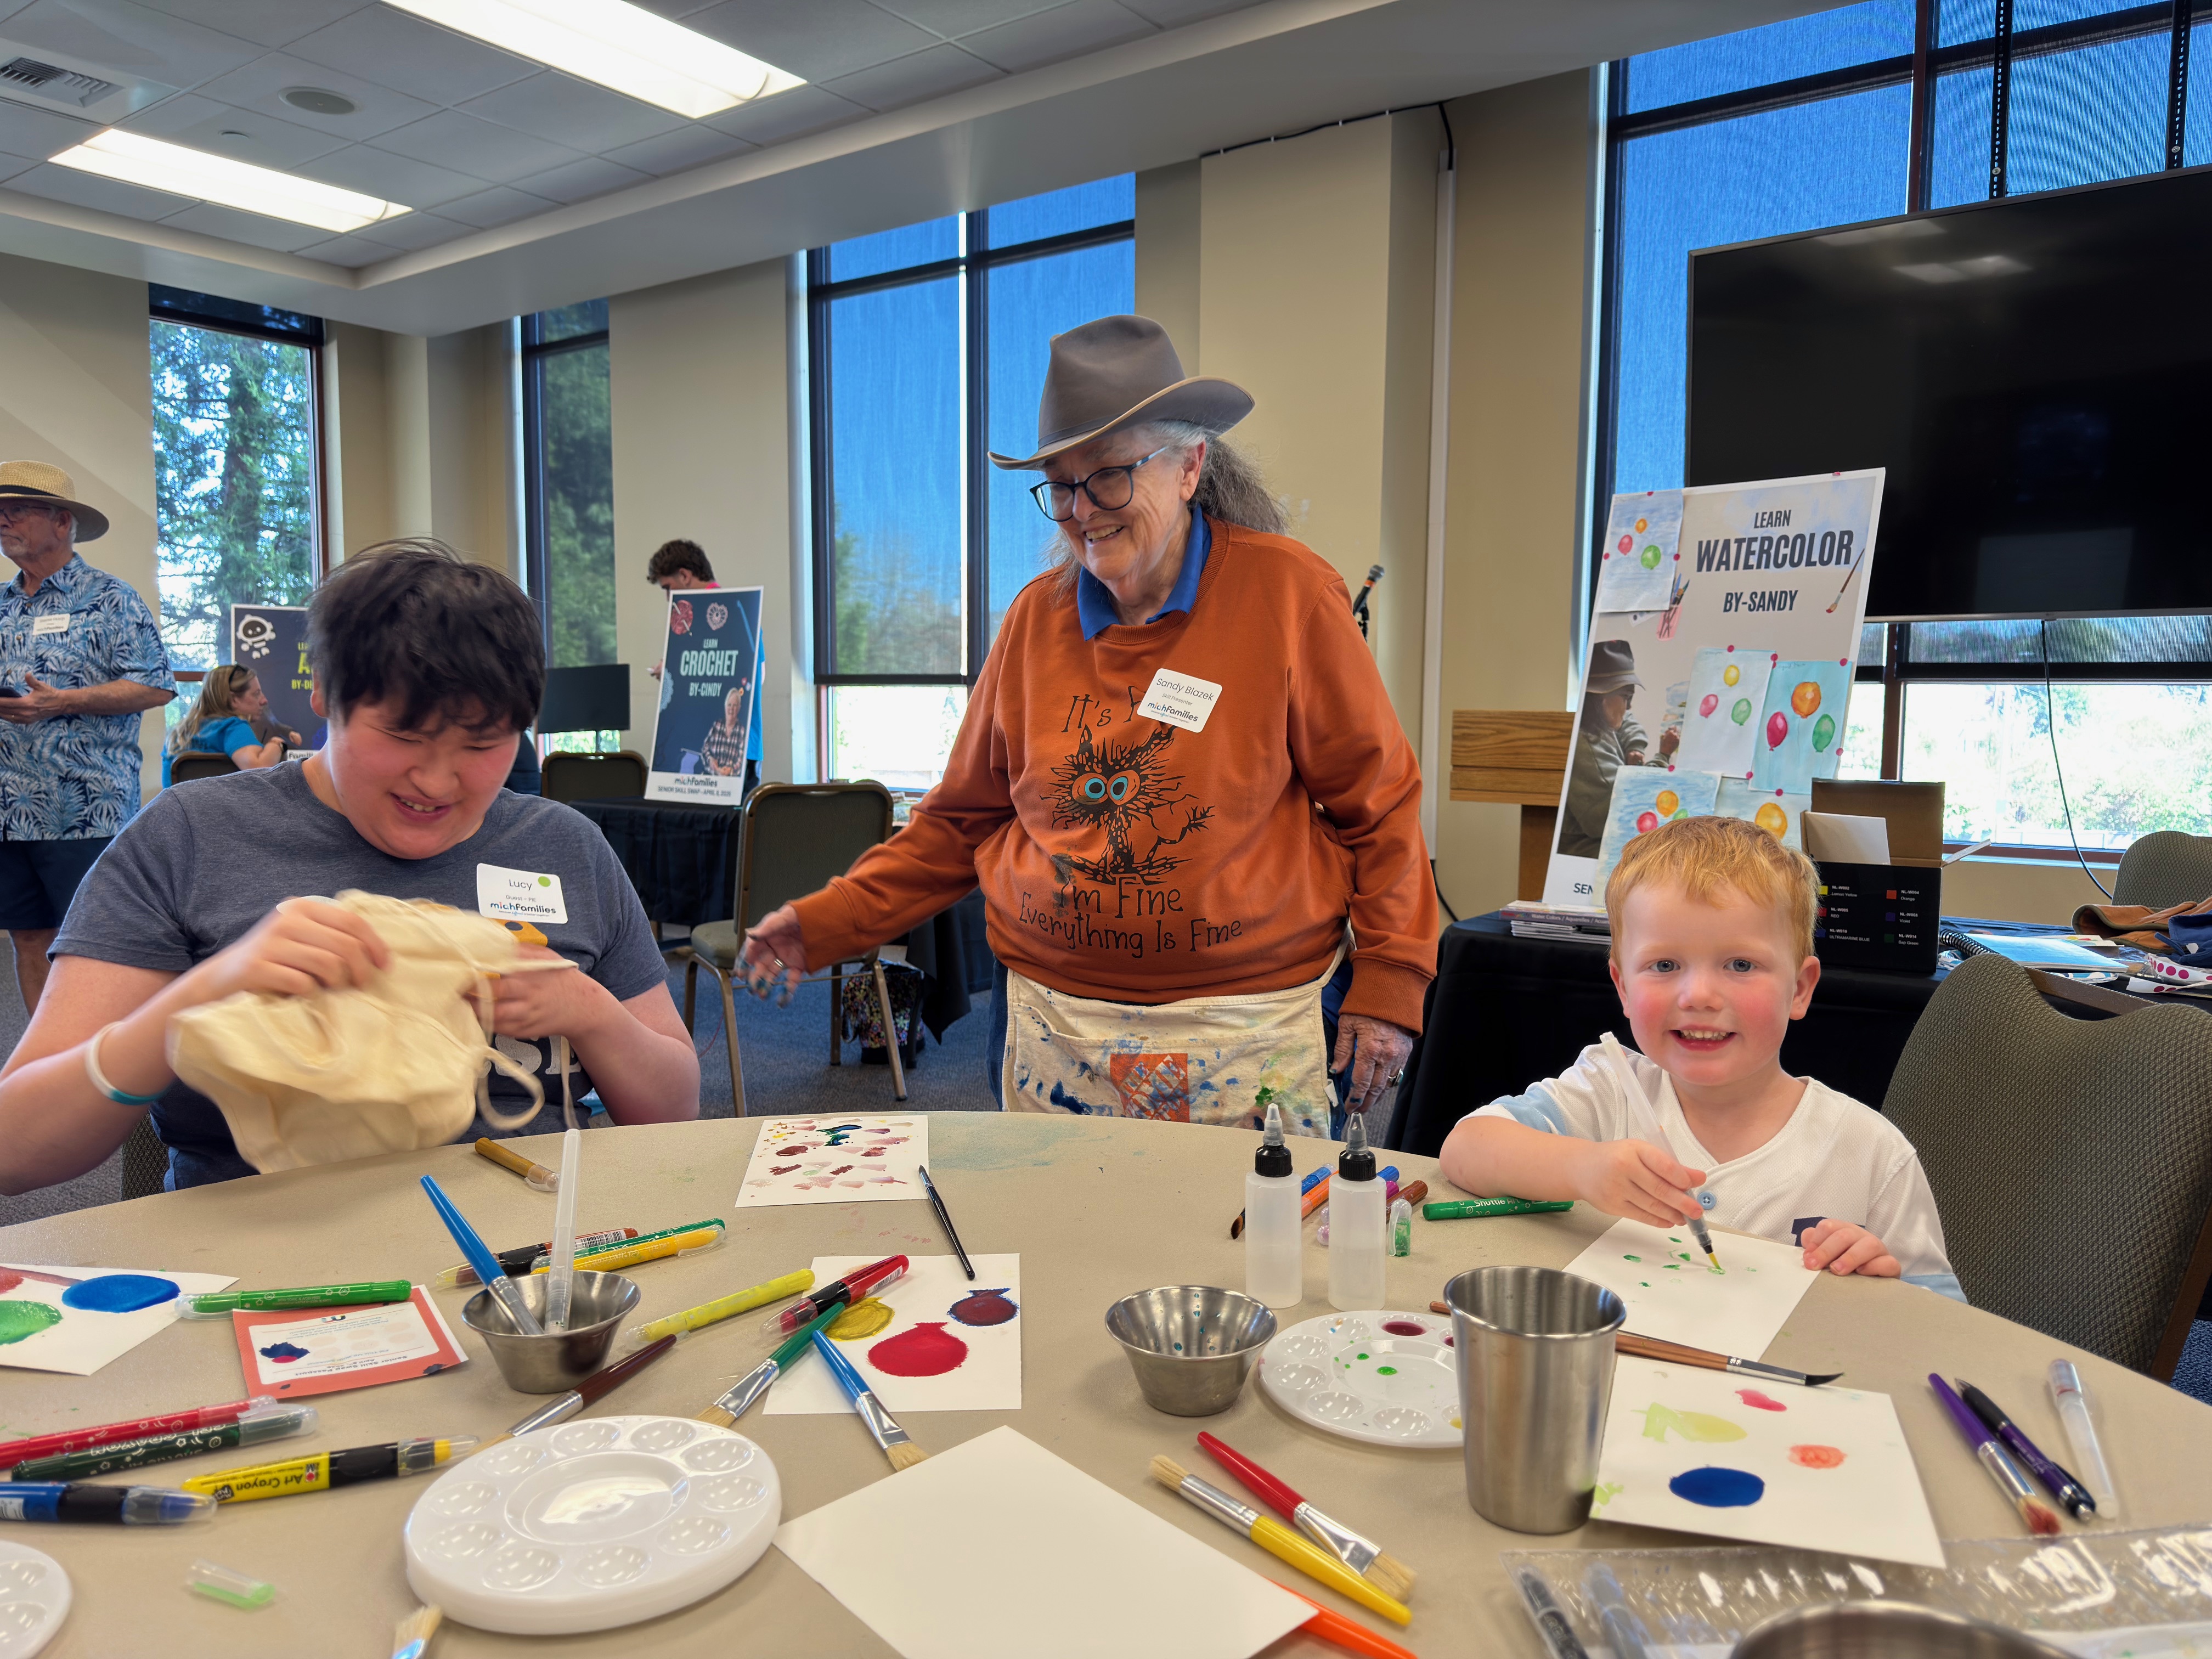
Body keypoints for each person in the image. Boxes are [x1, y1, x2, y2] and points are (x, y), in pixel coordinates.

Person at [741, 315, 1436, 1133]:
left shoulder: (1289, 597)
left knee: (1246, 1252)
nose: (1081, 511)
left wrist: (1391, 980)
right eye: (1061, 486)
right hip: (1053, 1026)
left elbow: (1378, 807)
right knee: (1068, 1246)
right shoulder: (1034, 623)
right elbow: (959, 823)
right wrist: (827, 919)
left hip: (1246, 1029)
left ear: (1189, 466)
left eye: (1109, 476)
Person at [0, 539, 699, 1194]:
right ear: (324, 701)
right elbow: (16, 1149)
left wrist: (592, 1013)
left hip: (528, 1262)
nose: (437, 781)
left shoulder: (563, 845)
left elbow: (674, 1113)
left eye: (483, 744)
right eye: (403, 735)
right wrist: (196, 1000)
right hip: (270, 1266)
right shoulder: (189, 836)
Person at [1438, 813, 1960, 1296]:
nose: (1699, 996)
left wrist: (1881, 1281)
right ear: (1622, 987)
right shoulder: (1608, 1090)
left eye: (1740, 964)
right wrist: (1584, 1168)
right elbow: (1465, 1149)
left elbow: (1943, 1320)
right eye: (1664, 966)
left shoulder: (1872, 1155)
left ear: (1800, 989)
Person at [0, 461, 175, 1016]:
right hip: (8, 809)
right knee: (28, 938)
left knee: (95, 950)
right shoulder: (1, 606)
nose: (3, 521)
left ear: (61, 522)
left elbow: (155, 686)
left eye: (16, 510)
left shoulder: (111, 599)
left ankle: (108, 1079)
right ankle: (42, 1065)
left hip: (86, 810)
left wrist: (63, 701)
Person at [1556, 639, 1677, 859]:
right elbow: (1626, 810)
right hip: (1586, 854)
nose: (1629, 706)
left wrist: (1635, 747)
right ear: (1600, 698)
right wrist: (1662, 757)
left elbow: (1628, 720)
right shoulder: (1589, 748)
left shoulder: (1596, 720)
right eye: (1626, 697)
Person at [161, 664, 290, 786]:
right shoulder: (231, 727)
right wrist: (277, 744)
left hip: (178, 808)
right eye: (256, 694)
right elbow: (260, 770)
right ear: (234, 699)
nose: (264, 700)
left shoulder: (177, 735)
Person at [646, 539, 714, 683]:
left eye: (668, 588)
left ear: (684, 576)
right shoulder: (735, 607)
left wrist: (673, 670)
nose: (668, 598)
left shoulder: (730, 609)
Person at [698, 681, 752, 778]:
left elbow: (741, 759)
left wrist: (731, 770)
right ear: (725, 706)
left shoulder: (742, 731)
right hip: (709, 779)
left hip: (731, 781)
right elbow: (705, 749)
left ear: (739, 708)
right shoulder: (717, 725)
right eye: (729, 705)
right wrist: (710, 760)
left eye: (735, 705)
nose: (731, 709)